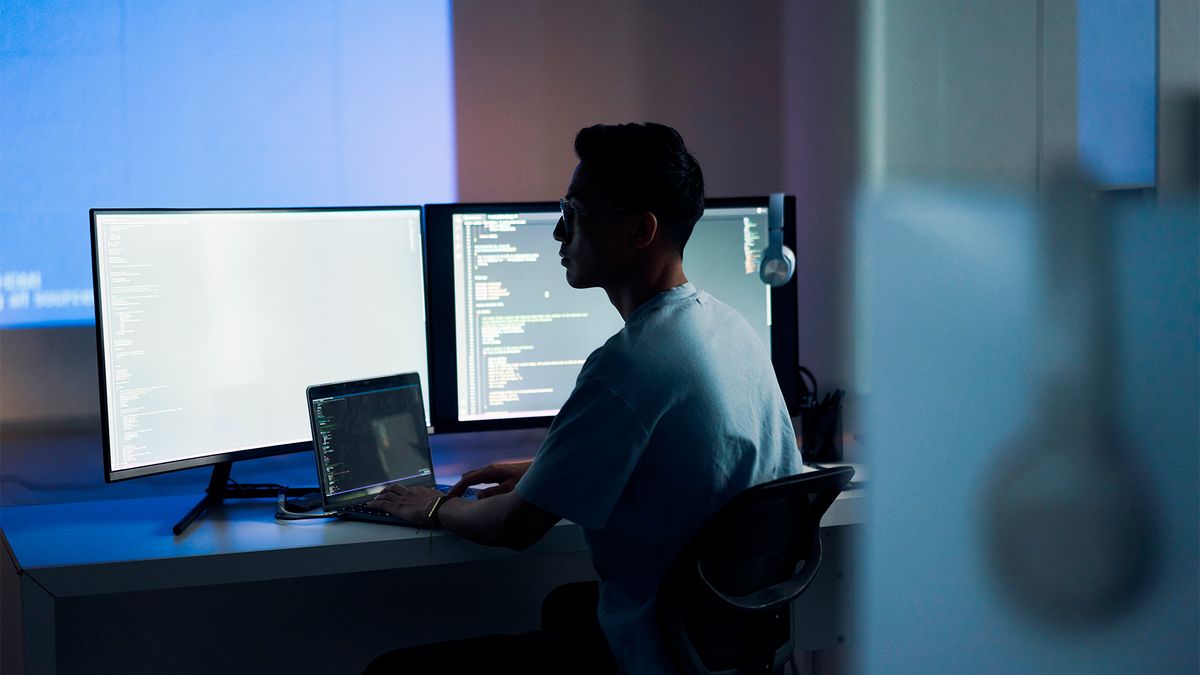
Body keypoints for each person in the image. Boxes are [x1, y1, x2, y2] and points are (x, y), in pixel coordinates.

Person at [364, 122, 802, 673]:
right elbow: (691, 458)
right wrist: (550, 468)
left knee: (394, 671)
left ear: (641, 230)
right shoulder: (729, 325)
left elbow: (511, 529)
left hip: (664, 650)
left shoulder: (628, 364)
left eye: (573, 213)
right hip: (726, 637)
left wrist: (431, 505)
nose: (556, 232)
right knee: (564, 606)